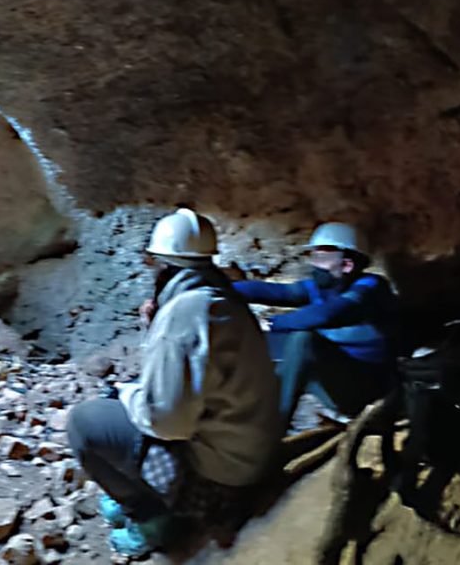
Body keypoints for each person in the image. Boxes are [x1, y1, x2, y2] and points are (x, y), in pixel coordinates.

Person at [67, 208, 281, 559]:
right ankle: (149, 501)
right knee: (125, 400)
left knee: (85, 423)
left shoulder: (184, 314)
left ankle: (151, 520)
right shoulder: (221, 300)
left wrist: (126, 394)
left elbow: (167, 423)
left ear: (165, 266)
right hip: (250, 454)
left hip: (221, 481)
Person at [233, 222, 400, 430]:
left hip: (367, 387)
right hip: (335, 383)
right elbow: (276, 292)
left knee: (302, 340)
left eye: (321, 258)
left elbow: (329, 314)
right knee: (263, 346)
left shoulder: (371, 288)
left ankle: (271, 431)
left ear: (347, 265)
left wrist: (270, 324)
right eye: (313, 256)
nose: (313, 264)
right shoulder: (323, 287)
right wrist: (218, 289)